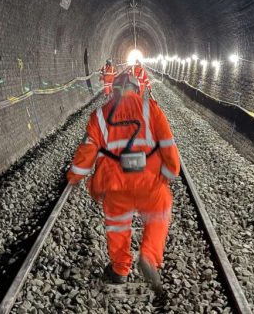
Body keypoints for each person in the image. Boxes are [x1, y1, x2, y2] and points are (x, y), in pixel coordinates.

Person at [67, 73, 180, 294]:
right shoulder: (150, 109)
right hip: (149, 182)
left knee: (118, 225)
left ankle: (119, 270)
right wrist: (167, 173)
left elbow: (87, 151)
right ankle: (149, 257)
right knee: (159, 214)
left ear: (115, 90)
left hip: (115, 185)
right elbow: (168, 144)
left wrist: (74, 176)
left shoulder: (99, 115)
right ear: (137, 89)